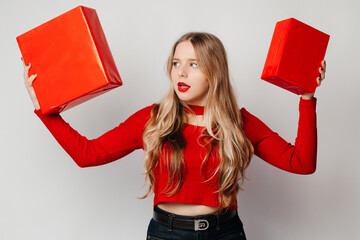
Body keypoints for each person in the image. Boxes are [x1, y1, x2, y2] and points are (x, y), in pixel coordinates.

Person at [22, 32, 326, 240]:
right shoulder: (152, 119)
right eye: (176, 63)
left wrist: (307, 98)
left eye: (193, 65)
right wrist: (46, 111)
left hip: (225, 233)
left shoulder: (240, 122)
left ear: (214, 71)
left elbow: (301, 163)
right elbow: (87, 155)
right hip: (165, 234)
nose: (180, 72)